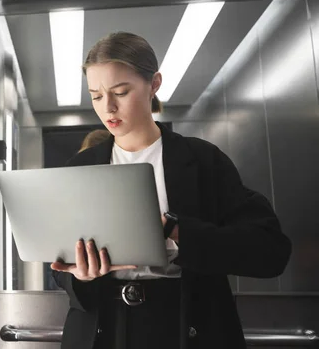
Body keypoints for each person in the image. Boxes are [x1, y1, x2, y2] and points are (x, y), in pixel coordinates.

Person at [50, 32, 291, 349]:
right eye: (96, 96)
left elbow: (270, 251)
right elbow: (58, 265)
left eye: (120, 92)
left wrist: (180, 232)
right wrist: (80, 274)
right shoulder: (79, 168)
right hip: (102, 328)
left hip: (185, 324)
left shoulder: (203, 161)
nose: (107, 107)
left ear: (154, 84)